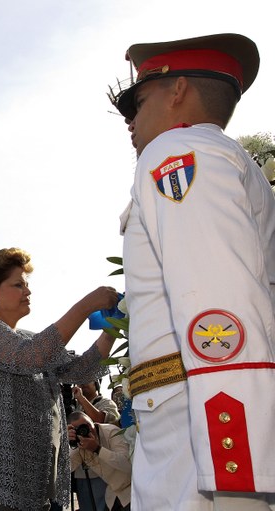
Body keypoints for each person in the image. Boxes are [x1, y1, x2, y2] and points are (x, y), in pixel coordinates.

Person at [109, 33, 275, 510]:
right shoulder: (232, 162)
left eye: (135, 104)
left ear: (176, 91)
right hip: (194, 417)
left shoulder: (178, 152)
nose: (131, 123)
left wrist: (234, 454)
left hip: (197, 430)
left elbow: (217, 299)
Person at [0, 247, 119, 510]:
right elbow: (32, 357)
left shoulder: (29, 340)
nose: (28, 292)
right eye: (18, 285)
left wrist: (112, 328)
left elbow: (82, 369)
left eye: (26, 285)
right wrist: (86, 306)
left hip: (33, 484)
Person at [68, 411, 131, 511]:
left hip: (131, 492)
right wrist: (65, 442)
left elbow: (126, 464)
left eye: (87, 425)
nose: (86, 430)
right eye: (79, 429)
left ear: (92, 421)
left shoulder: (111, 432)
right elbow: (64, 469)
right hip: (114, 494)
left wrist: (97, 449)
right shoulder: (79, 445)